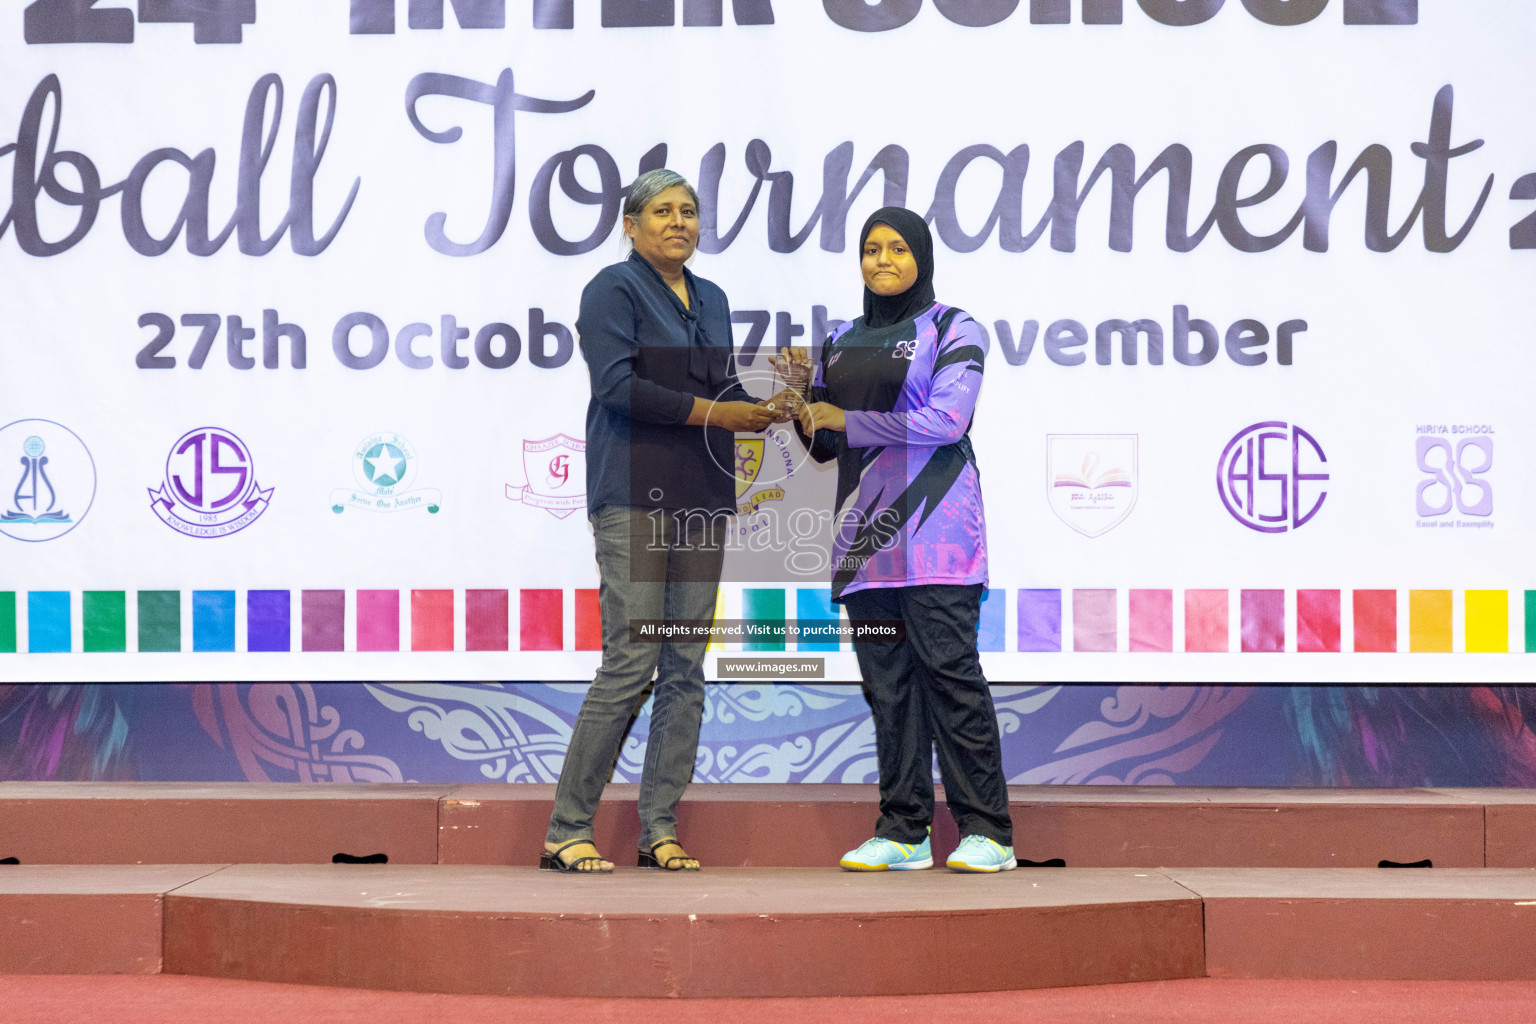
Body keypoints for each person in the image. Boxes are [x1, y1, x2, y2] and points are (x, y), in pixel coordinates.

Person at [542, 169, 777, 873]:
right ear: (631, 223)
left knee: (684, 666)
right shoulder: (613, 289)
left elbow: (722, 389)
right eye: (663, 211)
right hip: (635, 497)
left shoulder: (712, 298)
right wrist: (717, 413)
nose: (679, 221)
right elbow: (616, 387)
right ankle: (567, 829)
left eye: (689, 211)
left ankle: (659, 829)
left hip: (703, 495)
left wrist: (778, 397)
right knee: (633, 659)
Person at [781, 206, 1016, 873]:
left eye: (896, 249)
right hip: (866, 547)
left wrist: (846, 417)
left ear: (922, 257)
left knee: (949, 677)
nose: (882, 261)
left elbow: (947, 419)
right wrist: (803, 398)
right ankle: (905, 830)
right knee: (888, 690)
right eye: (870, 250)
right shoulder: (842, 339)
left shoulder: (953, 327)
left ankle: (988, 833)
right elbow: (826, 445)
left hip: (939, 538)